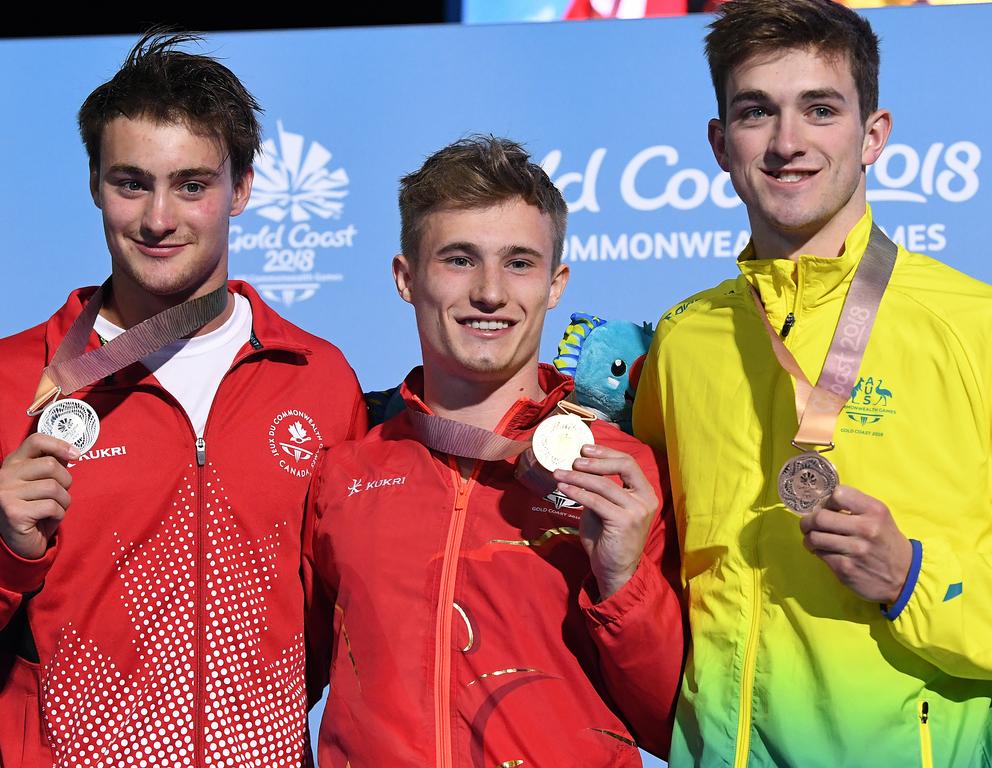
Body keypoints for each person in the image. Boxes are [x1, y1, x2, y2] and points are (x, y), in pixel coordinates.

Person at [633, 1, 992, 766]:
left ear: (873, 134)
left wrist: (916, 578)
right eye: (756, 112)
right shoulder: (686, 339)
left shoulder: (986, 329)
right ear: (719, 143)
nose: (787, 143)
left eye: (820, 109)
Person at [0, 32, 366, 767]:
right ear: (93, 184)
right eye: (131, 182)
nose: (159, 218)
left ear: (244, 187)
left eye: (192, 185)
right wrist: (6, 550)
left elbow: (339, 627)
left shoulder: (318, 378)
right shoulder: (16, 378)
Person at [305, 136, 684, 767]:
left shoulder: (623, 474)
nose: (489, 291)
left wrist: (623, 583)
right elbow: (279, 687)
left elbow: (676, 727)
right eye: (458, 259)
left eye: (519, 263)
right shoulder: (345, 474)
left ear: (555, 283)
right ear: (405, 278)